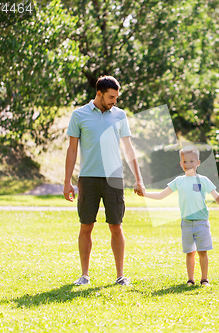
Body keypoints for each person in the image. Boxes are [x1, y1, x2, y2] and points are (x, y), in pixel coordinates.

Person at [63, 75, 143, 286]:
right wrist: (66, 182)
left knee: (116, 226)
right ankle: (84, 275)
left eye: (116, 98)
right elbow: (72, 150)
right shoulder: (79, 115)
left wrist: (138, 178)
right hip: (87, 178)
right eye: (110, 97)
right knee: (85, 226)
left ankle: (120, 276)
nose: (114, 102)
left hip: (114, 178)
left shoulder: (120, 115)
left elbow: (128, 149)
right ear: (98, 93)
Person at [138, 145, 219, 286]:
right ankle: (190, 279)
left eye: (191, 161)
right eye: (185, 161)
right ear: (181, 164)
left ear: (198, 163)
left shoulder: (203, 180)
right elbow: (160, 195)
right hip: (186, 223)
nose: (188, 164)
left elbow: (217, 197)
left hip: (202, 222)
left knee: (202, 252)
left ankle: (204, 279)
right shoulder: (179, 181)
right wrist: (145, 193)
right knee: (190, 252)